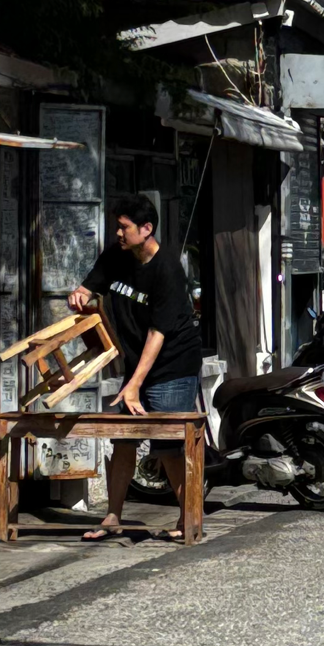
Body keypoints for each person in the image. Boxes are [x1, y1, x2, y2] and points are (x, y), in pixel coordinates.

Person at [68, 194, 202, 541]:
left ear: (146, 229)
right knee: (123, 440)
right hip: (138, 361)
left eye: (124, 227)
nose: (118, 233)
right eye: (117, 226)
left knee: (168, 445)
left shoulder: (167, 269)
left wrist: (134, 384)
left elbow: (158, 333)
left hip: (172, 364)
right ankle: (112, 517)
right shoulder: (117, 255)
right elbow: (88, 287)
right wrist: (80, 295)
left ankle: (188, 519)